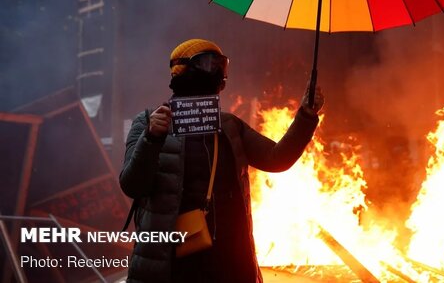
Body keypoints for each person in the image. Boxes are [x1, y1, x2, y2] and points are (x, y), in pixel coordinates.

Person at [119, 39, 324, 283]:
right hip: (171, 265)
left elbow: (276, 159)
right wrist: (151, 138)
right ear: (181, 69)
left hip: (230, 264)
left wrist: (306, 116)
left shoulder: (229, 125)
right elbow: (132, 185)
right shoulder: (148, 122)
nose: (217, 72)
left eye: (222, 65)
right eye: (208, 63)